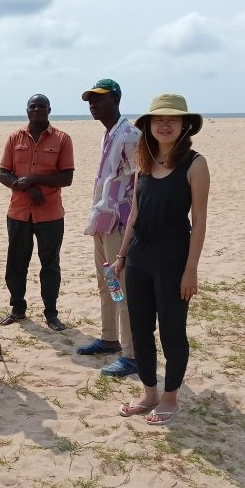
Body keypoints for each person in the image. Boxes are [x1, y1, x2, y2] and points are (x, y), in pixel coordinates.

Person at [116, 94, 209, 425]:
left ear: (184, 125)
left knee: (172, 331)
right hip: (140, 255)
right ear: (149, 126)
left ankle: (171, 398)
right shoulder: (144, 164)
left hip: (173, 258)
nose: (165, 125)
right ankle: (149, 393)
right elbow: (134, 215)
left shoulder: (195, 164)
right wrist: (122, 255)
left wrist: (191, 270)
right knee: (140, 328)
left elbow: (199, 220)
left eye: (172, 119)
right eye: (158, 120)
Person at [78, 79, 141, 377]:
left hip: (121, 222)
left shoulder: (130, 135)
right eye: (91, 100)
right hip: (103, 220)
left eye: (99, 99)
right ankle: (109, 338)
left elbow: (140, 181)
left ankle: (132, 354)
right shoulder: (110, 134)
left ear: (116, 99)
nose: (93, 104)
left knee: (124, 288)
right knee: (107, 283)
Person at [0, 94, 74, 331]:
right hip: (19, 212)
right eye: (33, 106)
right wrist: (28, 188)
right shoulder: (14, 138)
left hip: (50, 214)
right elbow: (3, 174)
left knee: (50, 265)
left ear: (49, 109)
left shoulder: (62, 139)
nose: (37, 109)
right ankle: (17, 308)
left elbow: (67, 177)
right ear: (27, 110)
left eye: (42, 106)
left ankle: (51, 313)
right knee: (16, 263)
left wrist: (34, 179)